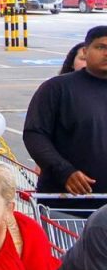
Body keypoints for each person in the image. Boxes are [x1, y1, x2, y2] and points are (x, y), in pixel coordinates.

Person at [23, 26, 107, 214]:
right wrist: (64, 171)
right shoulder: (57, 88)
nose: (106, 53)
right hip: (67, 207)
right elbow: (35, 134)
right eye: (101, 47)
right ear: (85, 51)